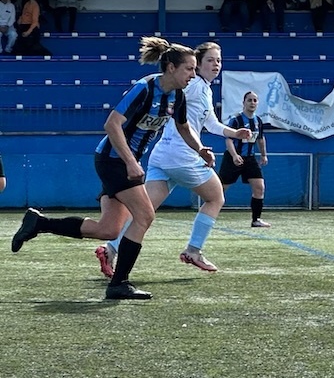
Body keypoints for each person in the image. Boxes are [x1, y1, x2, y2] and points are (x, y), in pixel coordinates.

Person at [11, 37, 210, 299]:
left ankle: (39, 223)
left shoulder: (178, 96)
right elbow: (112, 124)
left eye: (195, 69)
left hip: (123, 162)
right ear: (171, 67)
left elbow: (184, 127)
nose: (193, 74)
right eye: (189, 68)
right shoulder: (145, 88)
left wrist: (200, 149)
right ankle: (119, 284)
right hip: (113, 160)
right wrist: (130, 162)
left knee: (109, 229)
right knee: (145, 216)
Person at [95, 42, 252, 278]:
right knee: (216, 197)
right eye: (210, 60)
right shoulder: (193, 85)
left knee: (144, 212)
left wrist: (234, 133)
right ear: (196, 65)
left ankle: (110, 249)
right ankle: (193, 250)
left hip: (162, 155)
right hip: (181, 156)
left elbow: (210, 124)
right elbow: (167, 91)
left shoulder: (201, 88)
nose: (216, 65)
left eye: (219, 60)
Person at [219, 91, 271, 228]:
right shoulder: (236, 120)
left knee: (259, 187)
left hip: (250, 158)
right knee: (220, 189)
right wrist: (235, 155)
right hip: (233, 158)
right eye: (249, 100)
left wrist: (264, 155)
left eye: (255, 100)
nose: (252, 103)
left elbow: (260, 139)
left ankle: (256, 220)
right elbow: (229, 140)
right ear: (244, 103)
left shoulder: (258, 121)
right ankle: (208, 214)